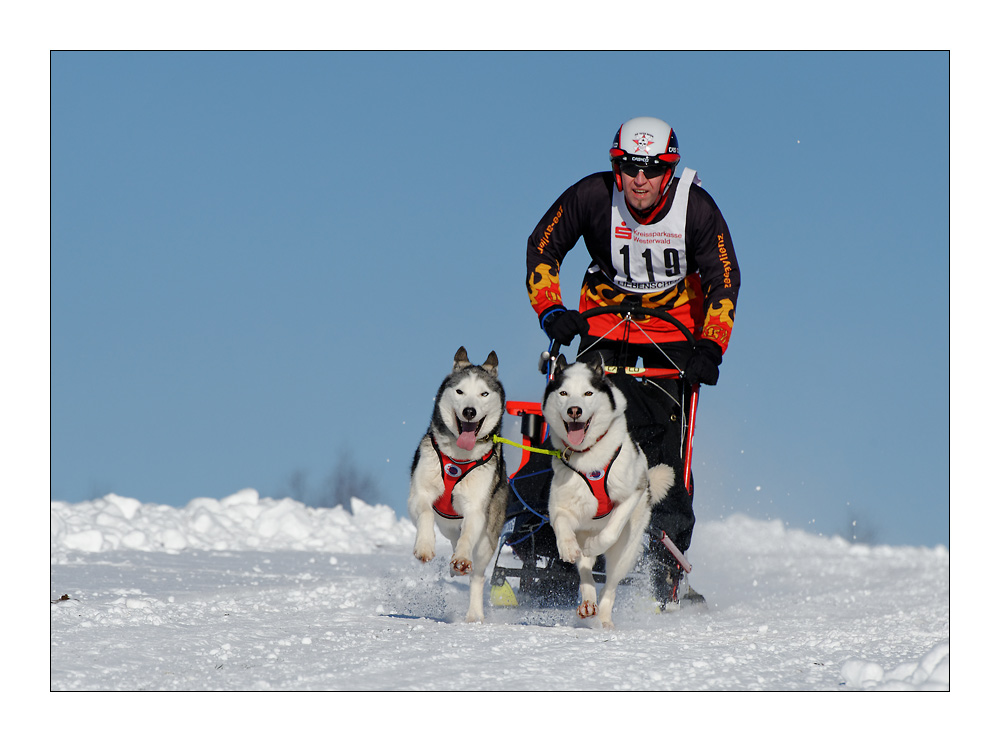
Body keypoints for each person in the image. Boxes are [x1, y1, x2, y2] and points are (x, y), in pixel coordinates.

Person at [523, 116, 740, 605]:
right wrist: (552, 310)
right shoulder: (592, 196)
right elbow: (543, 246)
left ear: (669, 169)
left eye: (651, 168)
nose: (639, 179)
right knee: (573, 430)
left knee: (662, 449)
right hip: (601, 332)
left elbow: (724, 280)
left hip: (673, 343)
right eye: (628, 166)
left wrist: (712, 344)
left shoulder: (696, 210)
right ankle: (547, 543)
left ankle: (665, 560)